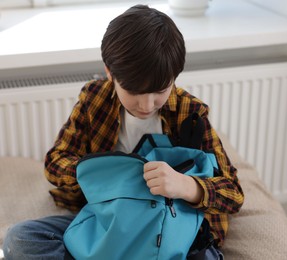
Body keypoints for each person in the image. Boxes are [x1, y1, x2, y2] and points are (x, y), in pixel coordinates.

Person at [3, 4, 244, 260]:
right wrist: (105, 175)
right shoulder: (94, 99)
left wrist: (186, 186)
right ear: (110, 72)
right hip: (106, 221)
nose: (146, 105)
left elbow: (233, 193)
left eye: (160, 91)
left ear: (174, 77)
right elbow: (55, 163)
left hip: (171, 228)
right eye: (134, 93)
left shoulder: (190, 113)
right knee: (20, 240)